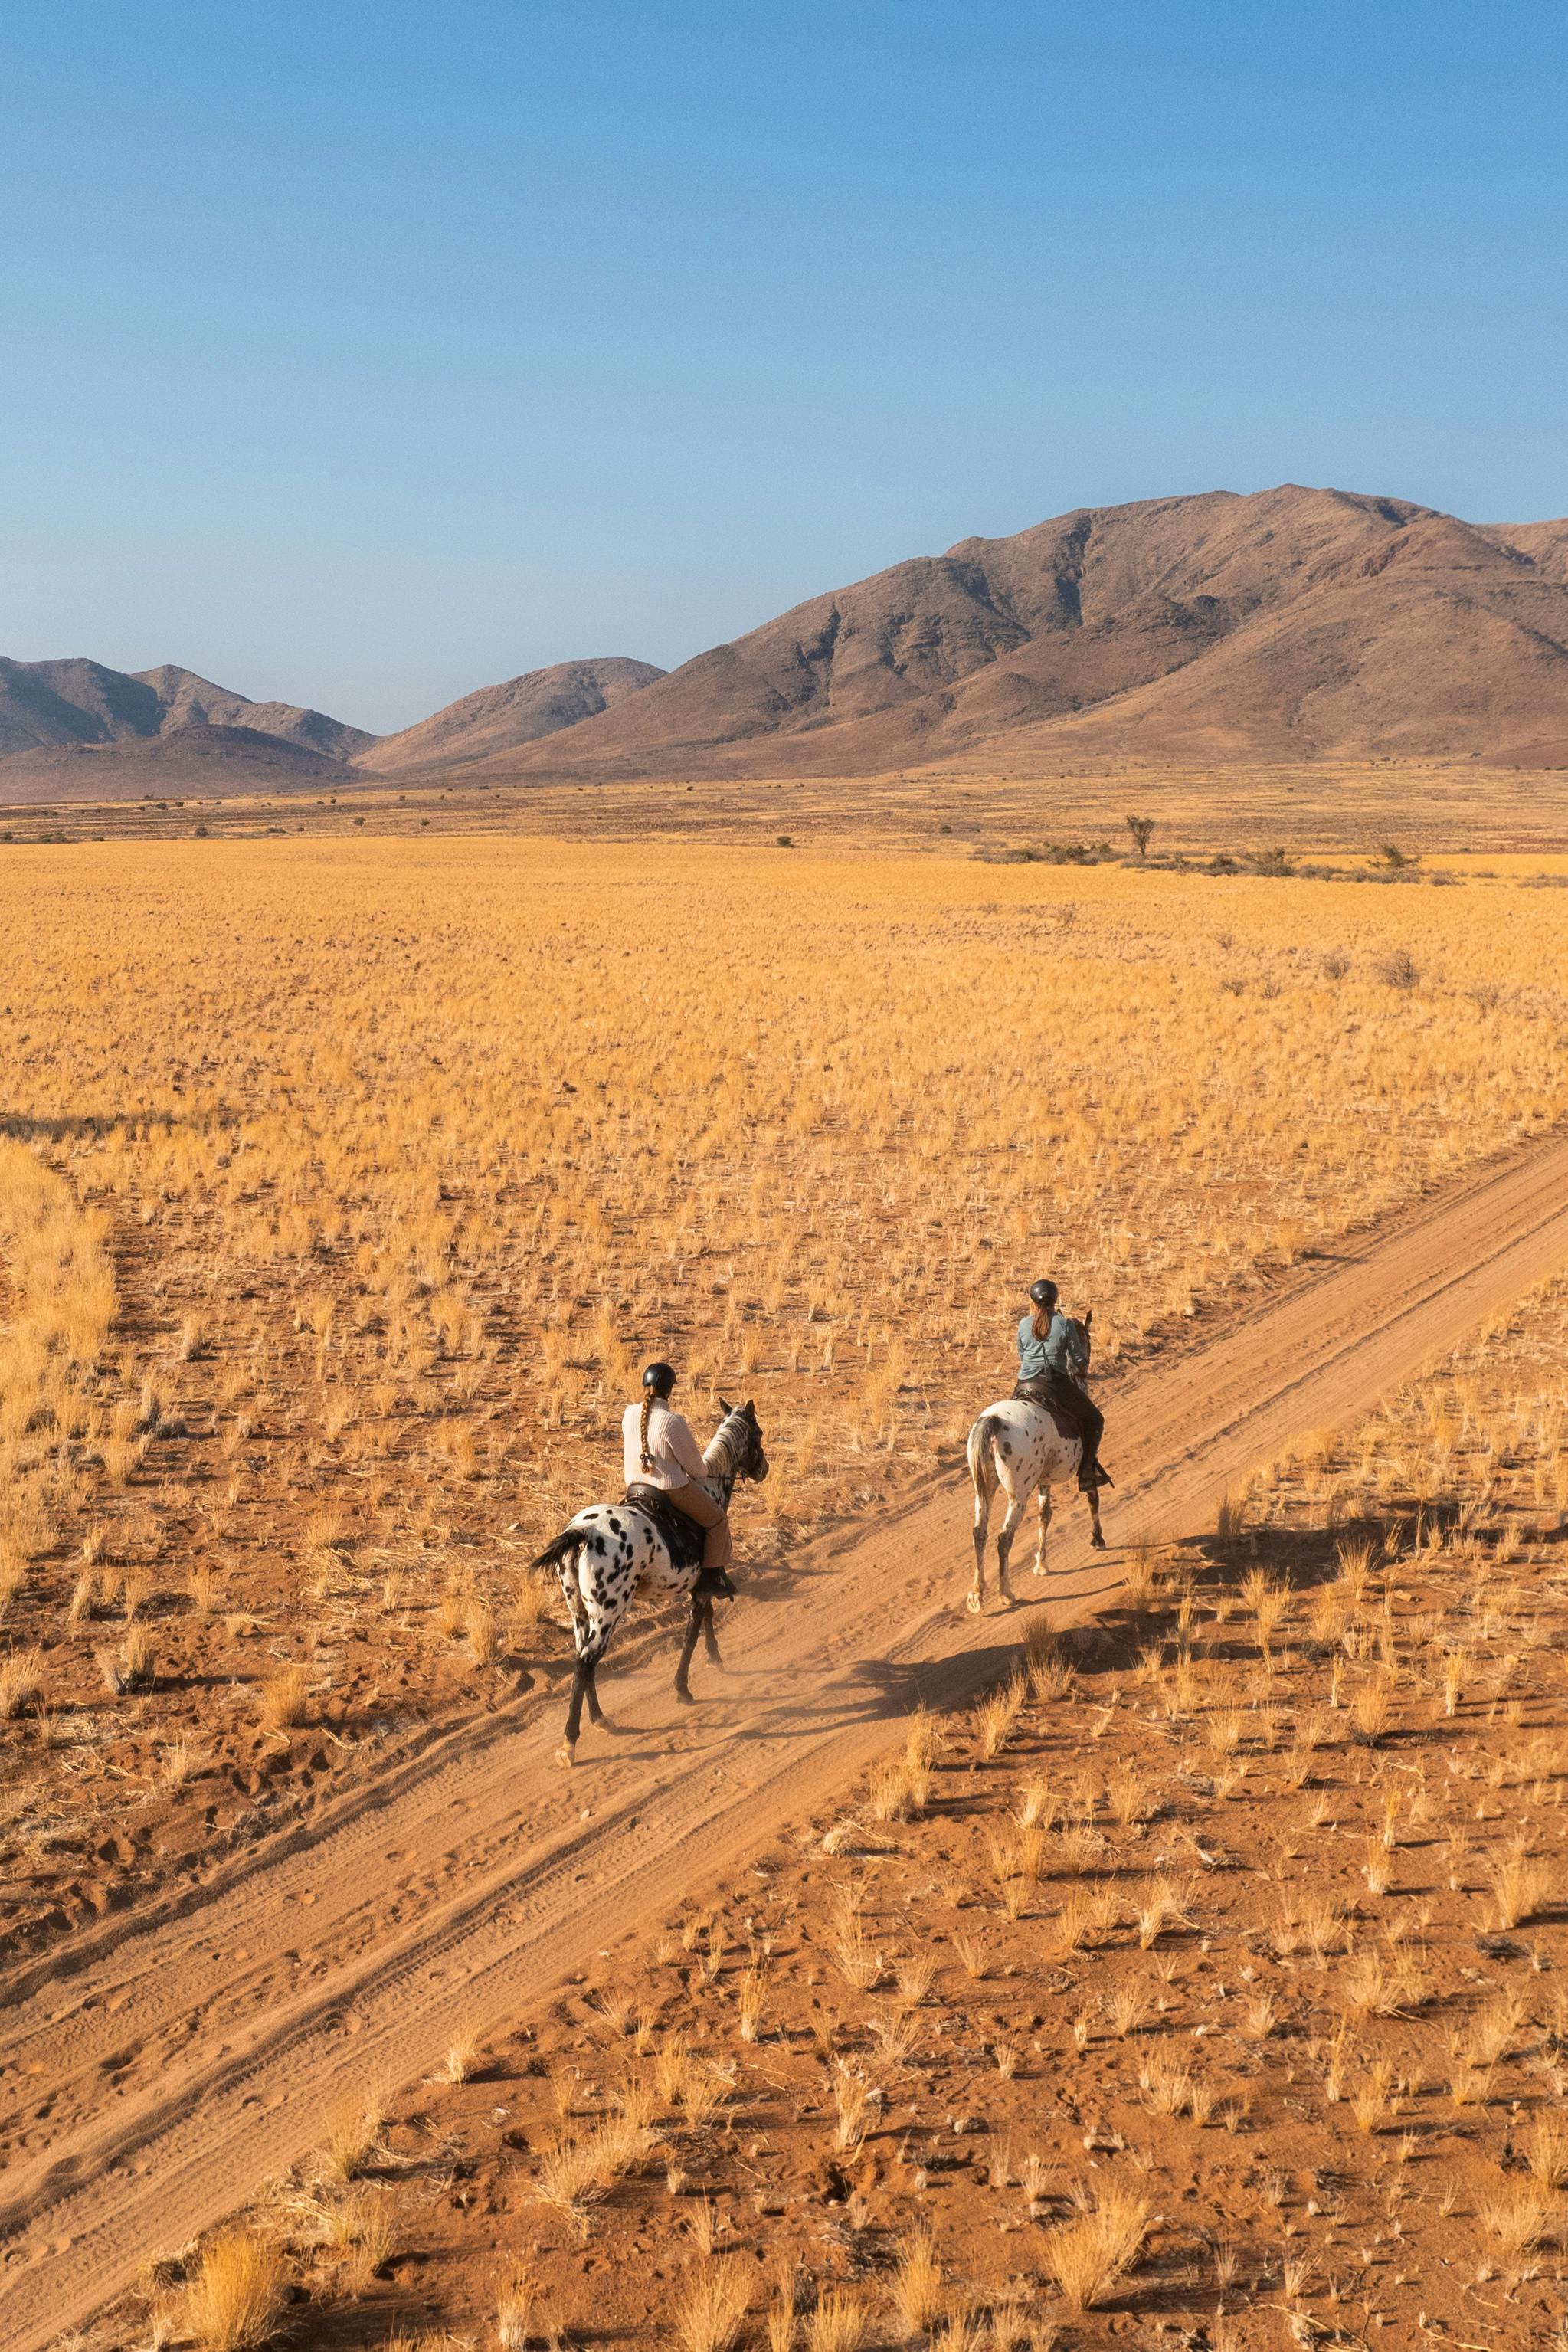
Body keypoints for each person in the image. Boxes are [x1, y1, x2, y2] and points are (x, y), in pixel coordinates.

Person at [622, 1361, 736, 1597]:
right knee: (717, 1521)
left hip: (634, 1489)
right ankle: (710, 1578)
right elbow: (698, 1471)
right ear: (669, 1390)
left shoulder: (628, 1413)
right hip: (669, 1490)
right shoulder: (673, 1421)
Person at [1014, 1277, 1108, 1492]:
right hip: (1054, 1384)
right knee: (1095, 1420)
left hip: (1024, 1384)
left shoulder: (1023, 1324)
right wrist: (1083, 1366)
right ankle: (1085, 1474)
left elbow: (1022, 1355)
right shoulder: (1064, 1324)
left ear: (1033, 1301)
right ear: (1055, 1300)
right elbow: (1076, 1359)